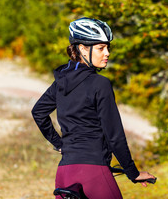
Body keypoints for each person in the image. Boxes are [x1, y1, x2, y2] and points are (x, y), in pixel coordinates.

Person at [31, 17, 155, 199]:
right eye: (100, 48)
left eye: (107, 48)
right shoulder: (100, 84)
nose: (107, 53)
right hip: (93, 172)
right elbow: (115, 135)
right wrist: (132, 172)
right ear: (82, 49)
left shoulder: (60, 83)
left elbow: (38, 112)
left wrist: (59, 144)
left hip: (65, 173)